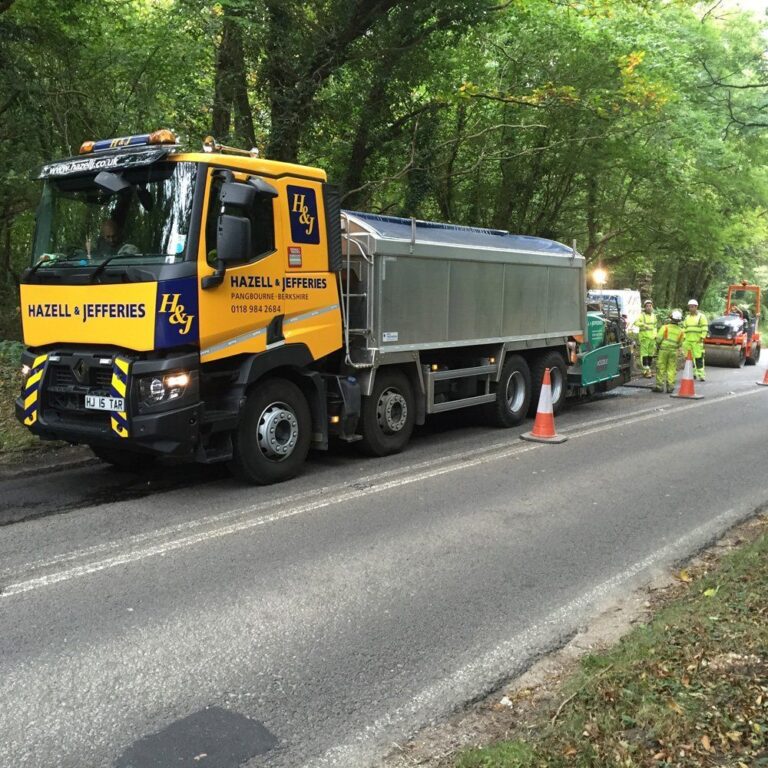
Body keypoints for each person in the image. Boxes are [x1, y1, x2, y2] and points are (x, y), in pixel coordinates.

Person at [655, 309, 684, 393]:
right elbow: (680, 343)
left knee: (661, 367)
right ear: (679, 320)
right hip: (674, 351)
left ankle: (659, 386)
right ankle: (670, 387)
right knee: (671, 369)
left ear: (671, 318)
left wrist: (658, 345)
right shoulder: (681, 331)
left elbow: (658, 339)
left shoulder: (665, 327)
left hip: (663, 350)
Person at [682, 299, 708, 381]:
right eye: (689, 307)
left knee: (699, 358)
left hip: (697, 341)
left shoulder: (701, 317)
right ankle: (693, 373)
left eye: (692, 307)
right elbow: (684, 328)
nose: (691, 308)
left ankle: (701, 374)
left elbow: (704, 328)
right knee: (689, 359)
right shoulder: (687, 318)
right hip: (688, 341)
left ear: (696, 307)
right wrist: (684, 338)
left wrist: (702, 337)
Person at [634, 299, 657, 378]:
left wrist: (656, 335)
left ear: (652, 306)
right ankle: (647, 371)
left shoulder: (654, 316)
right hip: (644, 338)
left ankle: (648, 370)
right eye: (647, 306)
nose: (648, 307)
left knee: (650, 355)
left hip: (652, 338)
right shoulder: (642, 315)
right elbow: (636, 323)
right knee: (644, 355)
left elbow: (655, 326)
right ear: (644, 307)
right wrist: (643, 324)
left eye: (650, 306)